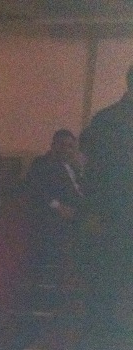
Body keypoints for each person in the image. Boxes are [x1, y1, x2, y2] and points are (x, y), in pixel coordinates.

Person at [78, 63, 133, 329]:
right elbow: (95, 174)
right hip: (113, 217)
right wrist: (94, 214)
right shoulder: (107, 121)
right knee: (108, 290)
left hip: (116, 215)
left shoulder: (106, 119)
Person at [26, 129, 83, 270]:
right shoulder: (42, 163)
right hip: (56, 210)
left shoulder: (71, 164)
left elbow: (79, 187)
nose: (67, 150)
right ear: (53, 145)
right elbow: (36, 190)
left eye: (70, 146)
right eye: (62, 145)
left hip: (78, 204)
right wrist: (58, 206)